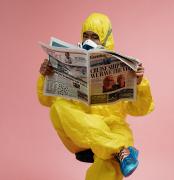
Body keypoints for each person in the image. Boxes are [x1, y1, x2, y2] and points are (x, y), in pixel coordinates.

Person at [37, 13, 154, 180]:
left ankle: (117, 151)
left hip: (114, 129)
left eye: (95, 37)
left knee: (108, 164)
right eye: (85, 36)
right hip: (82, 130)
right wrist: (46, 76)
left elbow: (141, 109)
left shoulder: (123, 67)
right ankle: (120, 150)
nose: (88, 41)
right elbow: (46, 100)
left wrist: (139, 83)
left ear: (106, 38)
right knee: (59, 107)